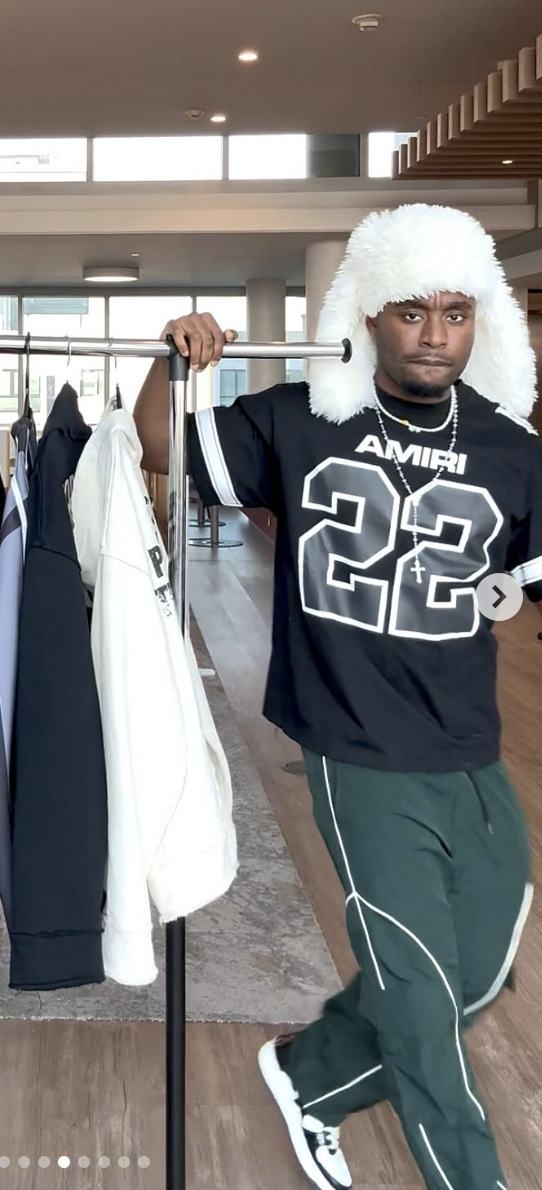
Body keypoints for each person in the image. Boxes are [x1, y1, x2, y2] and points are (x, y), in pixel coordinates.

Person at [133, 202, 539, 1190]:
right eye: (411, 310)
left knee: (479, 973)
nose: (435, 331)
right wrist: (173, 363)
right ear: (368, 313)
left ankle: (307, 1071)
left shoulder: (514, 447)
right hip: (358, 748)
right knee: (421, 994)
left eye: (455, 310)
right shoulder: (301, 416)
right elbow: (159, 443)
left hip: (471, 747)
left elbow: (516, 590)